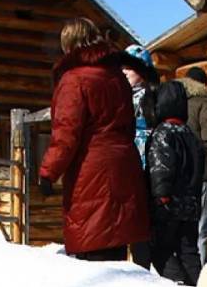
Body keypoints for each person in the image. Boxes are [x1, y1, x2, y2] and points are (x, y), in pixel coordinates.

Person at [38, 18, 149, 262]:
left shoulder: (74, 79)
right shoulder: (116, 77)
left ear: (68, 45)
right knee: (116, 255)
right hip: (123, 167)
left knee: (93, 253)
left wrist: (48, 172)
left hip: (91, 170)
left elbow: (67, 132)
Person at [145, 81, 204, 285]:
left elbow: (161, 166)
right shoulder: (190, 134)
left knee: (160, 249)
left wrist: (161, 196)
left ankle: (177, 282)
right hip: (191, 204)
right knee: (189, 251)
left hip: (168, 204)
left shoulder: (162, 132)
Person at [178, 67, 207, 264]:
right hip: (202, 173)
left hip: (179, 175)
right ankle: (202, 275)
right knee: (201, 230)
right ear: (204, 84)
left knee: (183, 229)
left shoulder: (177, 103)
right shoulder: (204, 102)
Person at [122, 44, 160, 270]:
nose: (124, 72)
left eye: (130, 68)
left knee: (144, 227)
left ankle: (144, 268)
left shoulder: (153, 95)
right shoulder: (121, 95)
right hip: (128, 163)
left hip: (149, 164)